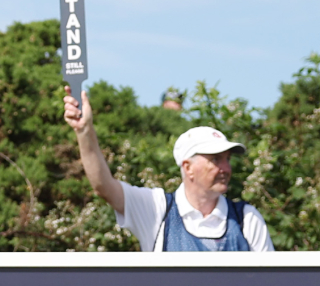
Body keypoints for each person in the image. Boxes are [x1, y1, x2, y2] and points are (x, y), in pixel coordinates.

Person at [64, 88, 274, 252]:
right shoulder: (157, 209)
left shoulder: (247, 218)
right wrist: (84, 131)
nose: (226, 168)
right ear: (188, 167)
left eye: (227, 159)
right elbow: (103, 186)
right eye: (215, 159)